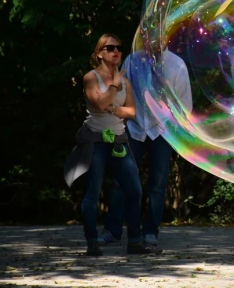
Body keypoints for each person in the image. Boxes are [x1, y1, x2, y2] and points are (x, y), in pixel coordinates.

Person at [63, 33, 160, 256]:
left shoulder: (124, 80)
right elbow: (99, 105)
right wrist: (113, 89)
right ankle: (92, 243)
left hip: (119, 141)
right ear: (99, 53)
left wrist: (112, 106)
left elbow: (132, 111)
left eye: (119, 47)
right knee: (92, 193)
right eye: (110, 48)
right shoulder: (91, 77)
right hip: (95, 141)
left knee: (134, 190)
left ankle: (135, 241)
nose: (116, 51)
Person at [98, 46, 193, 251]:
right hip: (134, 128)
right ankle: (112, 230)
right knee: (120, 181)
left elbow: (185, 104)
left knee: (157, 185)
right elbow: (121, 94)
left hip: (162, 132)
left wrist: (176, 132)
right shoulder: (132, 60)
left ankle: (150, 232)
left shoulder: (176, 64)